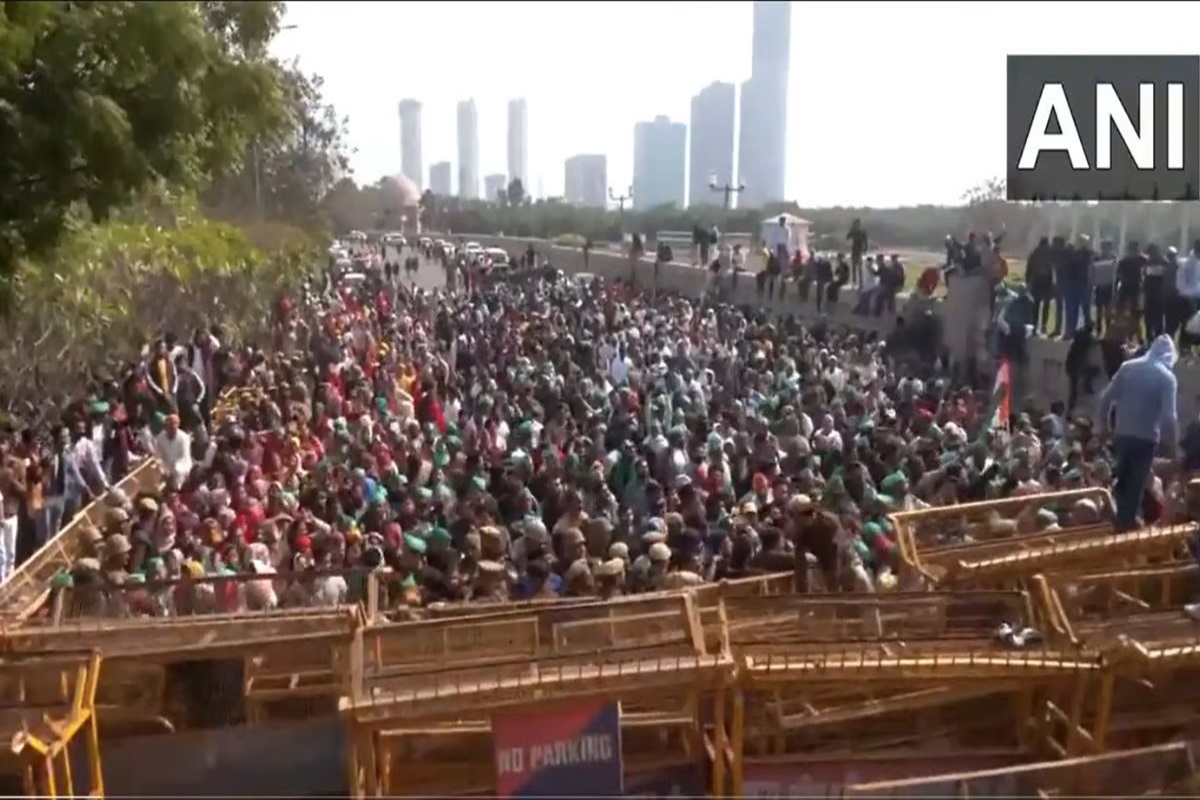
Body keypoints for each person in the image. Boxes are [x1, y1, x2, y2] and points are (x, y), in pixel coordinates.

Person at [1098, 334, 1179, 530]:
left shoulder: (1128, 368)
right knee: (1135, 488)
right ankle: (1123, 529)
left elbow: (1105, 398)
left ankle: (1113, 522)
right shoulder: (1167, 378)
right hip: (1146, 438)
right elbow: (1170, 417)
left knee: (1121, 483)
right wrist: (1173, 446)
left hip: (1122, 434)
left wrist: (1104, 426)